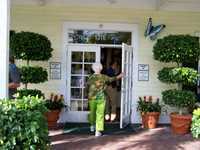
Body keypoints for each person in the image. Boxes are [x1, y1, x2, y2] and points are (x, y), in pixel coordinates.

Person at [87, 63, 123, 136]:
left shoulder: (90, 77)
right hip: (100, 98)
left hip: (92, 98)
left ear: (93, 69)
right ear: (101, 69)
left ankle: (92, 126)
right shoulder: (103, 77)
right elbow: (112, 79)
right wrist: (120, 76)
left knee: (92, 112)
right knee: (100, 114)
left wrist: (87, 94)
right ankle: (98, 131)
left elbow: (87, 87)